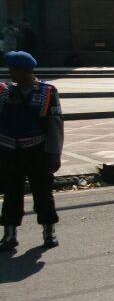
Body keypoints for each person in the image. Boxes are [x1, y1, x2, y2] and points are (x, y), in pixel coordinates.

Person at [0, 51, 63, 250]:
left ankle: (49, 230)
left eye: (13, 69)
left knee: (43, 193)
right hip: (9, 151)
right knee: (11, 194)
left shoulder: (47, 91)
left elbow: (55, 124)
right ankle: (9, 233)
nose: (10, 73)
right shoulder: (3, 91)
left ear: (25, 71)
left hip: (37, 152)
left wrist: (54, 154)